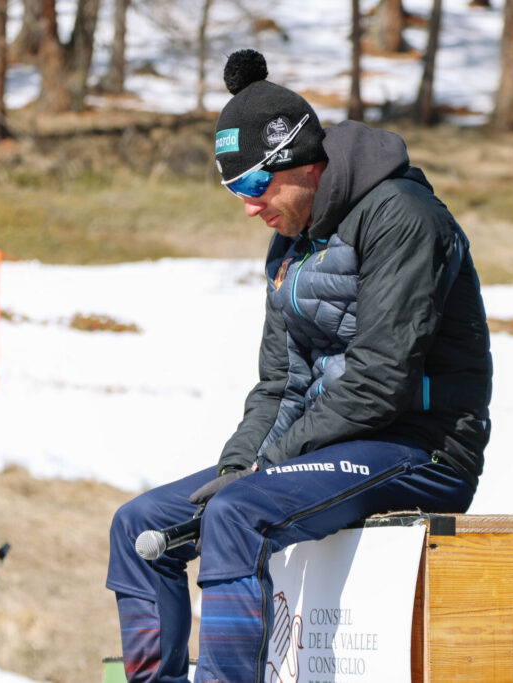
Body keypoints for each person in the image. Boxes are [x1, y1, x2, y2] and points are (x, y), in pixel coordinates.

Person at [107, 49, 492, 683]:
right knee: (139, 526)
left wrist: (264, 468)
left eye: (254, 185)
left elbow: (379, 382)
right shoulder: (292, 242)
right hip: (326, 449)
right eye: (234, 190)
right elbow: (280, 383)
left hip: (421, 448)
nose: (248, 206)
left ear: (302, 162)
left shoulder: (404, 217)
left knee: (237, 513)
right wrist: (239, 465)